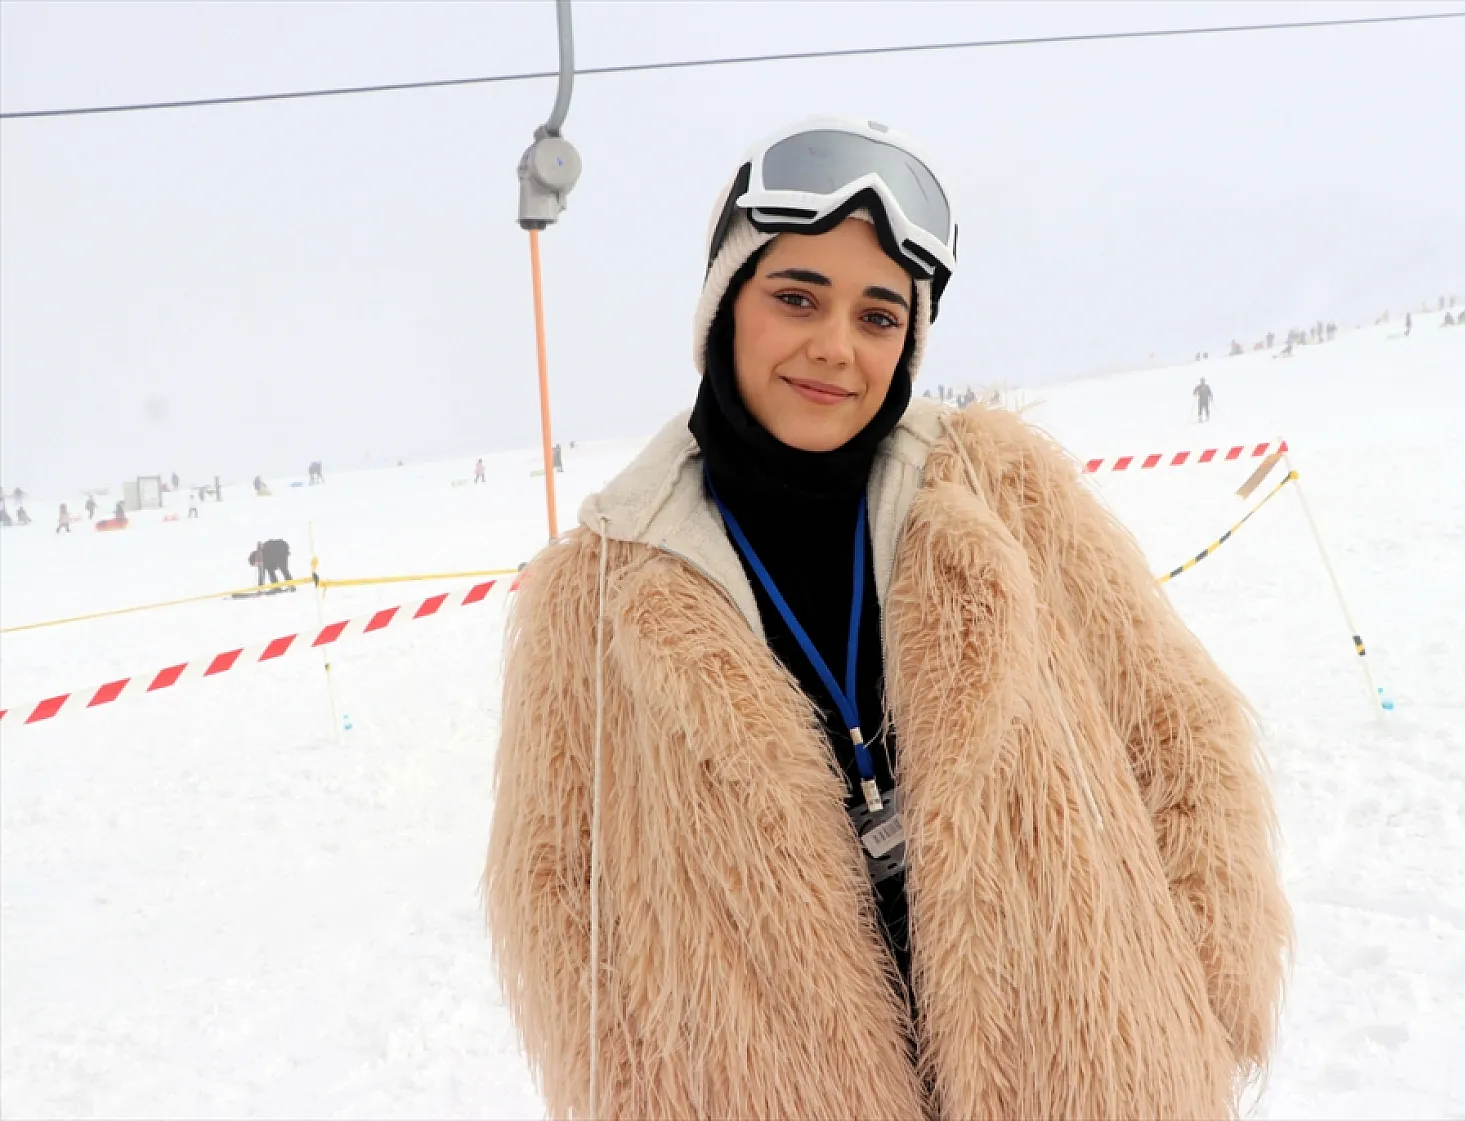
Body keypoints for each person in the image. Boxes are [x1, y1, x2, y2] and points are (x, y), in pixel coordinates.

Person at [485, 115, 1288, 1120]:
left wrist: (1201, 1002)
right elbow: (555, 893)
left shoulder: (995, 489)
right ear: (725, 304)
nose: (835, 348)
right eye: (796, 297)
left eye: (877, 315)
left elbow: (1180, 733)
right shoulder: (600, 587)